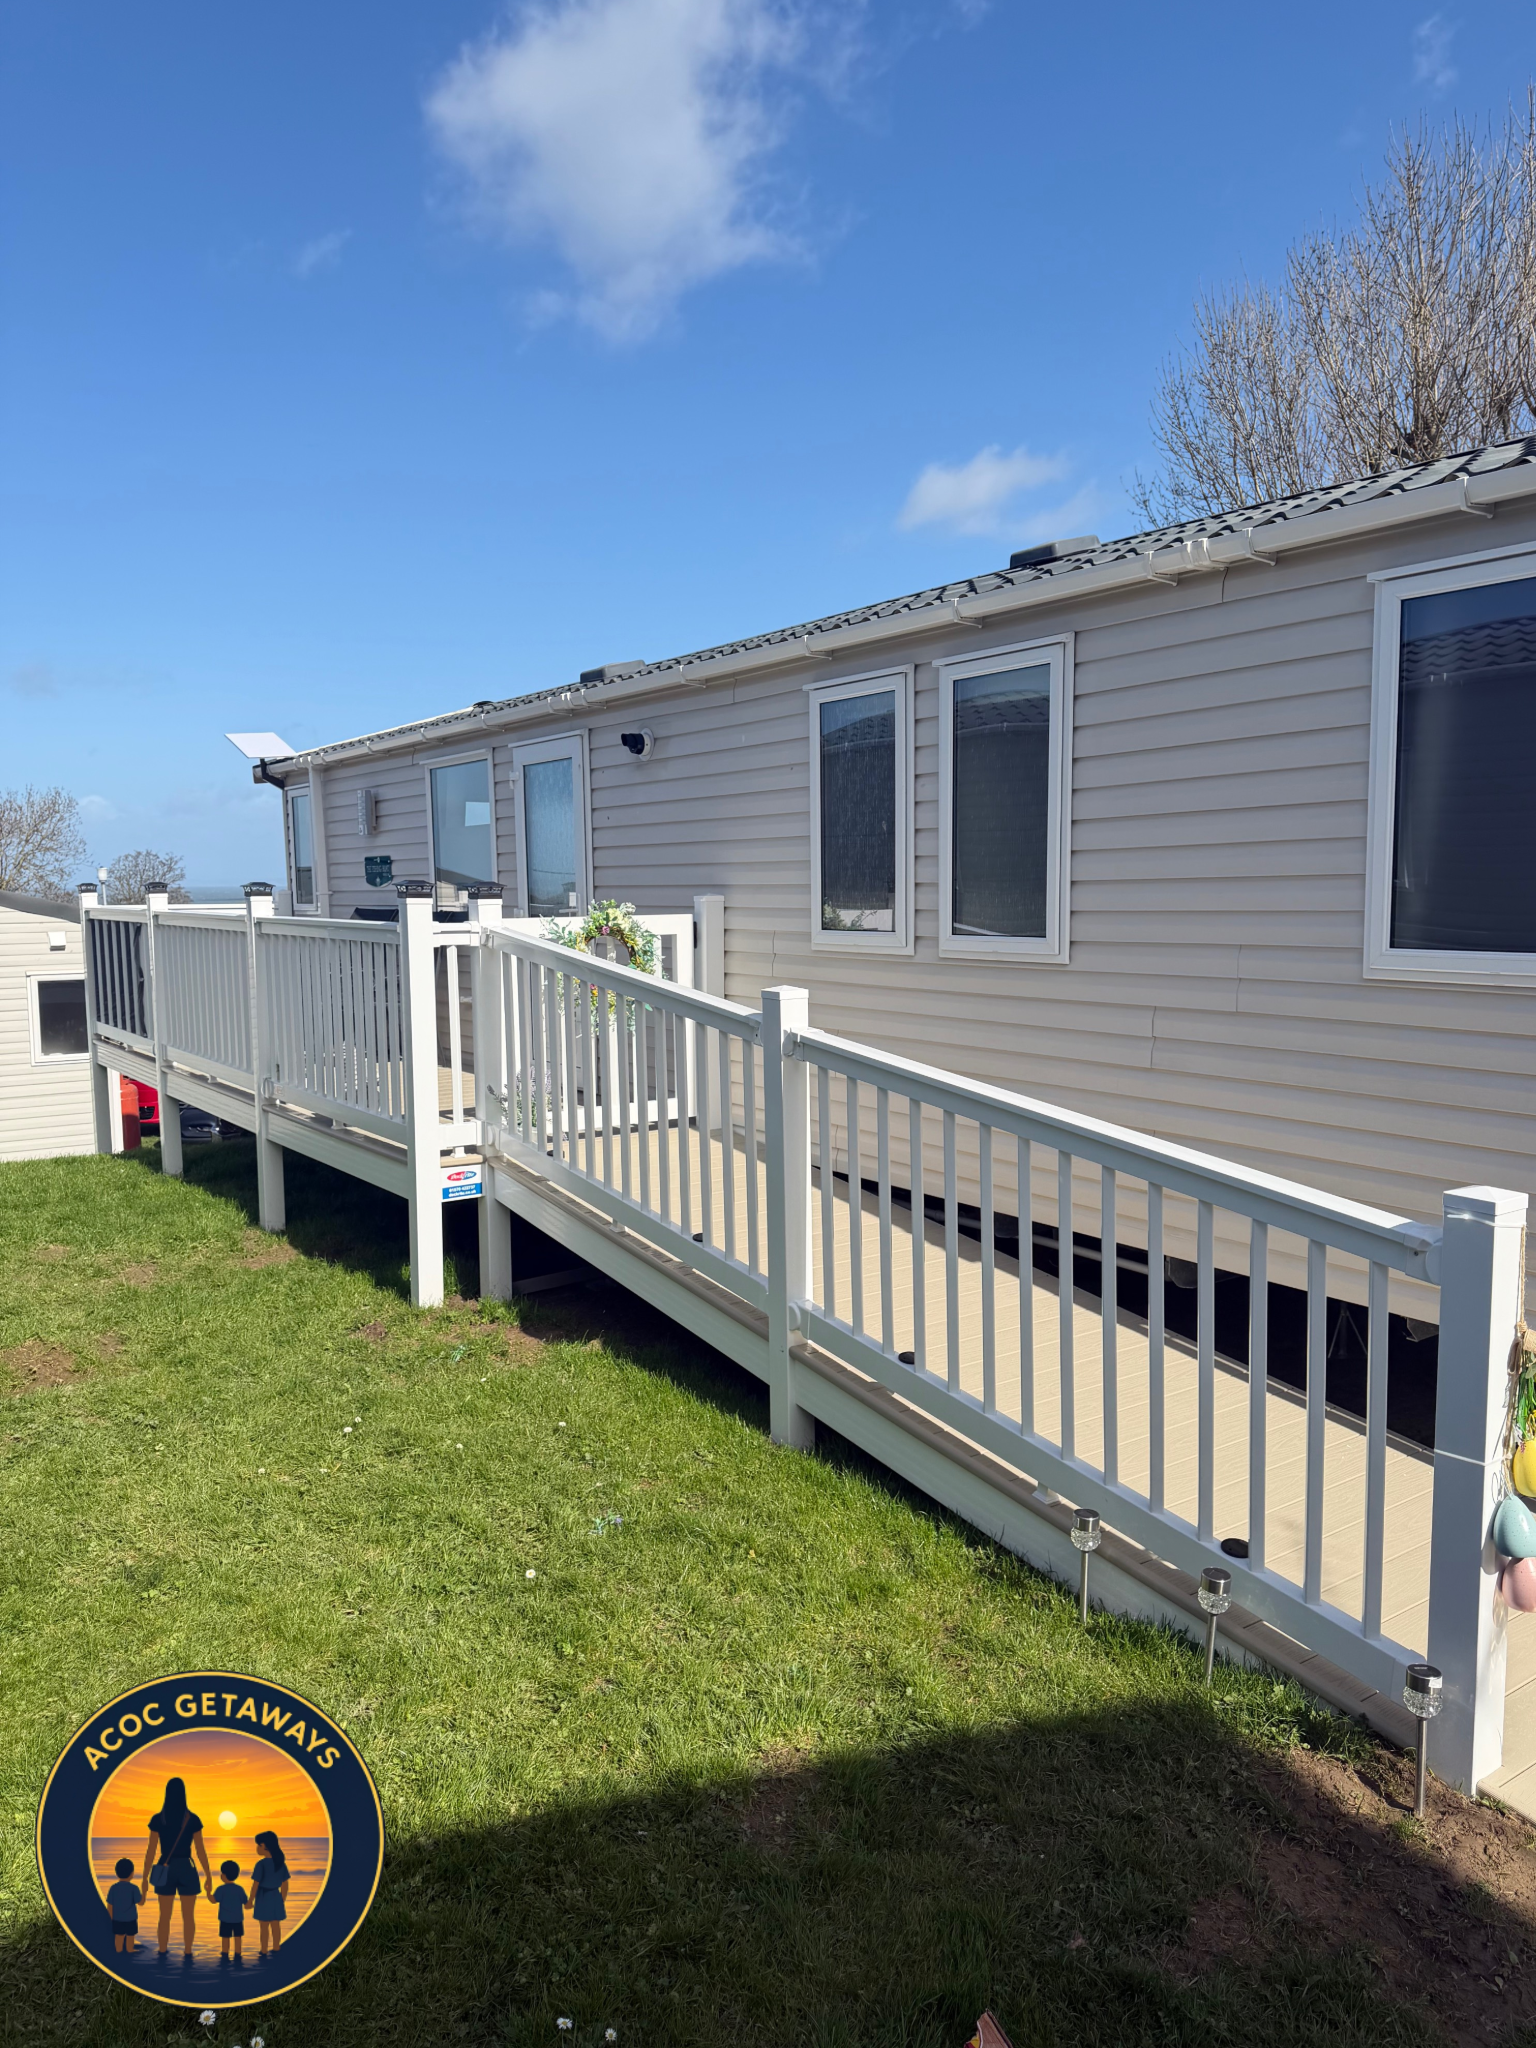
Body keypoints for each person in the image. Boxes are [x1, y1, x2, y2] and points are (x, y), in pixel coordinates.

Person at [140, 1776, 211, 1958]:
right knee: (188, 1916)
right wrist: (208, 1876)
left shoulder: (158, 1819)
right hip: (186, 1868)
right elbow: (200, 1851)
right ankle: (188, 1953)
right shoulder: (192, 1819)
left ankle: (163, 1952)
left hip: (165, 1868)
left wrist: (144, 1879)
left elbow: (151, 1851)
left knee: (164, 1916)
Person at [249, 1831, 289, 1953]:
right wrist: (282, 1898)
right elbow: (285, 1884)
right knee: (275, 1925)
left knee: (264, 1926)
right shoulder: (280, 1863)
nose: (257, 1848)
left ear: (265, 1846)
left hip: (263, 1896)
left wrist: (250, 1900)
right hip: (276, 1896)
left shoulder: (261, 1865)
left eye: (259, 1845)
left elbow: (255, 1884)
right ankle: (276, 1947)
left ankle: (264, 1949)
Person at [211, 1860, 247, 1959]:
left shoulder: (221, 1889)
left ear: (224, 1875)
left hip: (225, 1919)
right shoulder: (240, 1889)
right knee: (238, 1937)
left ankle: (225, 1953)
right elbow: (245, 1901)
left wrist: (208, 1892)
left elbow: (213, 1900)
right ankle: (238, 1953)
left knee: (225, 1937)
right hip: (237, 1919)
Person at [105, 1856, 142, 1953]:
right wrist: (144, 1893)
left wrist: (111, 1918)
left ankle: (118, 1950)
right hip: (131, 1919)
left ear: (117, 1873)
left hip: (117, 1919)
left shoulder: (113, 1888)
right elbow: (140, 1902)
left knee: (118, 1936)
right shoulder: (134, 1888)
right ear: (132, 1874)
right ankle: (130, 1949)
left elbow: (110, 1905)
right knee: (130, 1936)